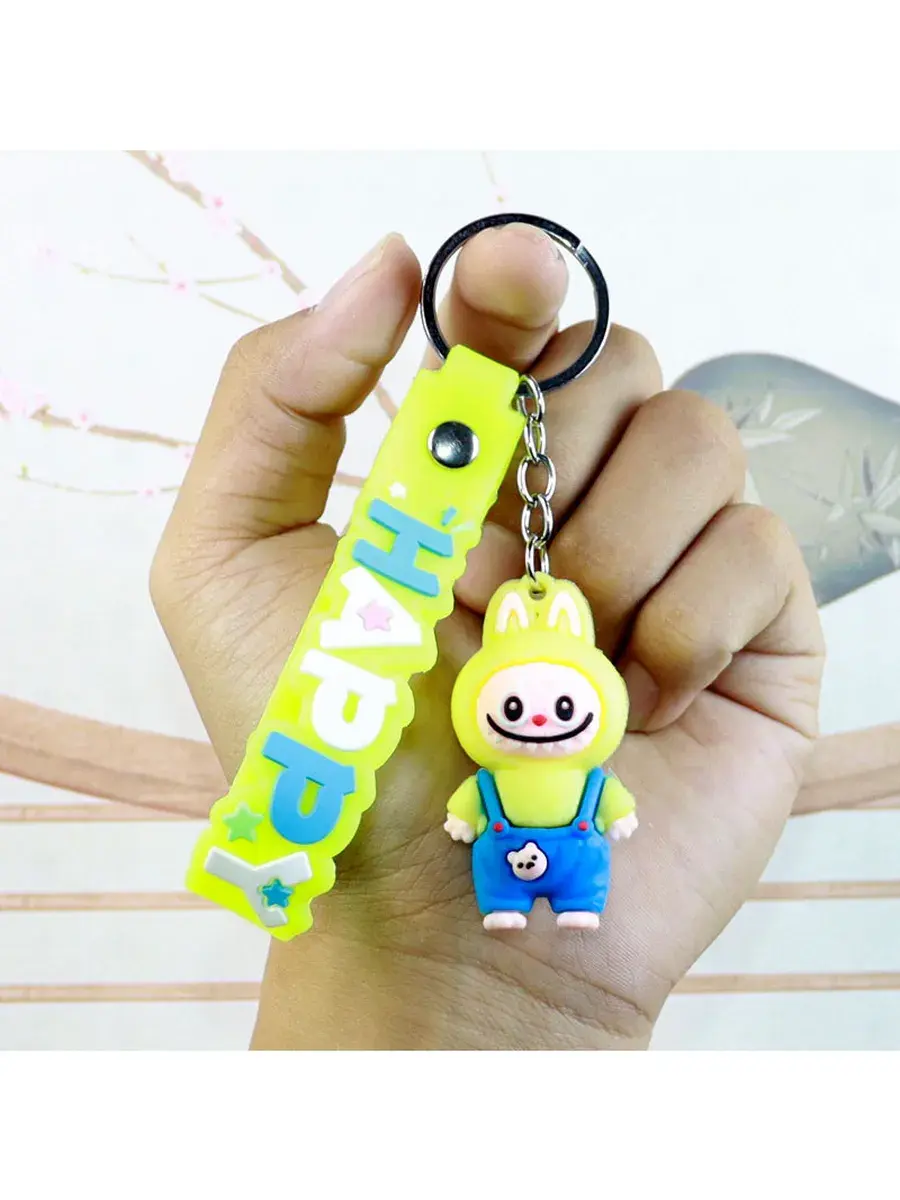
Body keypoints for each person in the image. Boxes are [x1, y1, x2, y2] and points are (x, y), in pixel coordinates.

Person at [150, 223, 824, 1050]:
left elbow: (608, 805)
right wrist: (432, 965)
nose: (538, 719)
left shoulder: (587, 755)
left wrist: (531, 1012)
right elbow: (471, 809)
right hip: (461, 838)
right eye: (524, 707)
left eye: (559, 709)